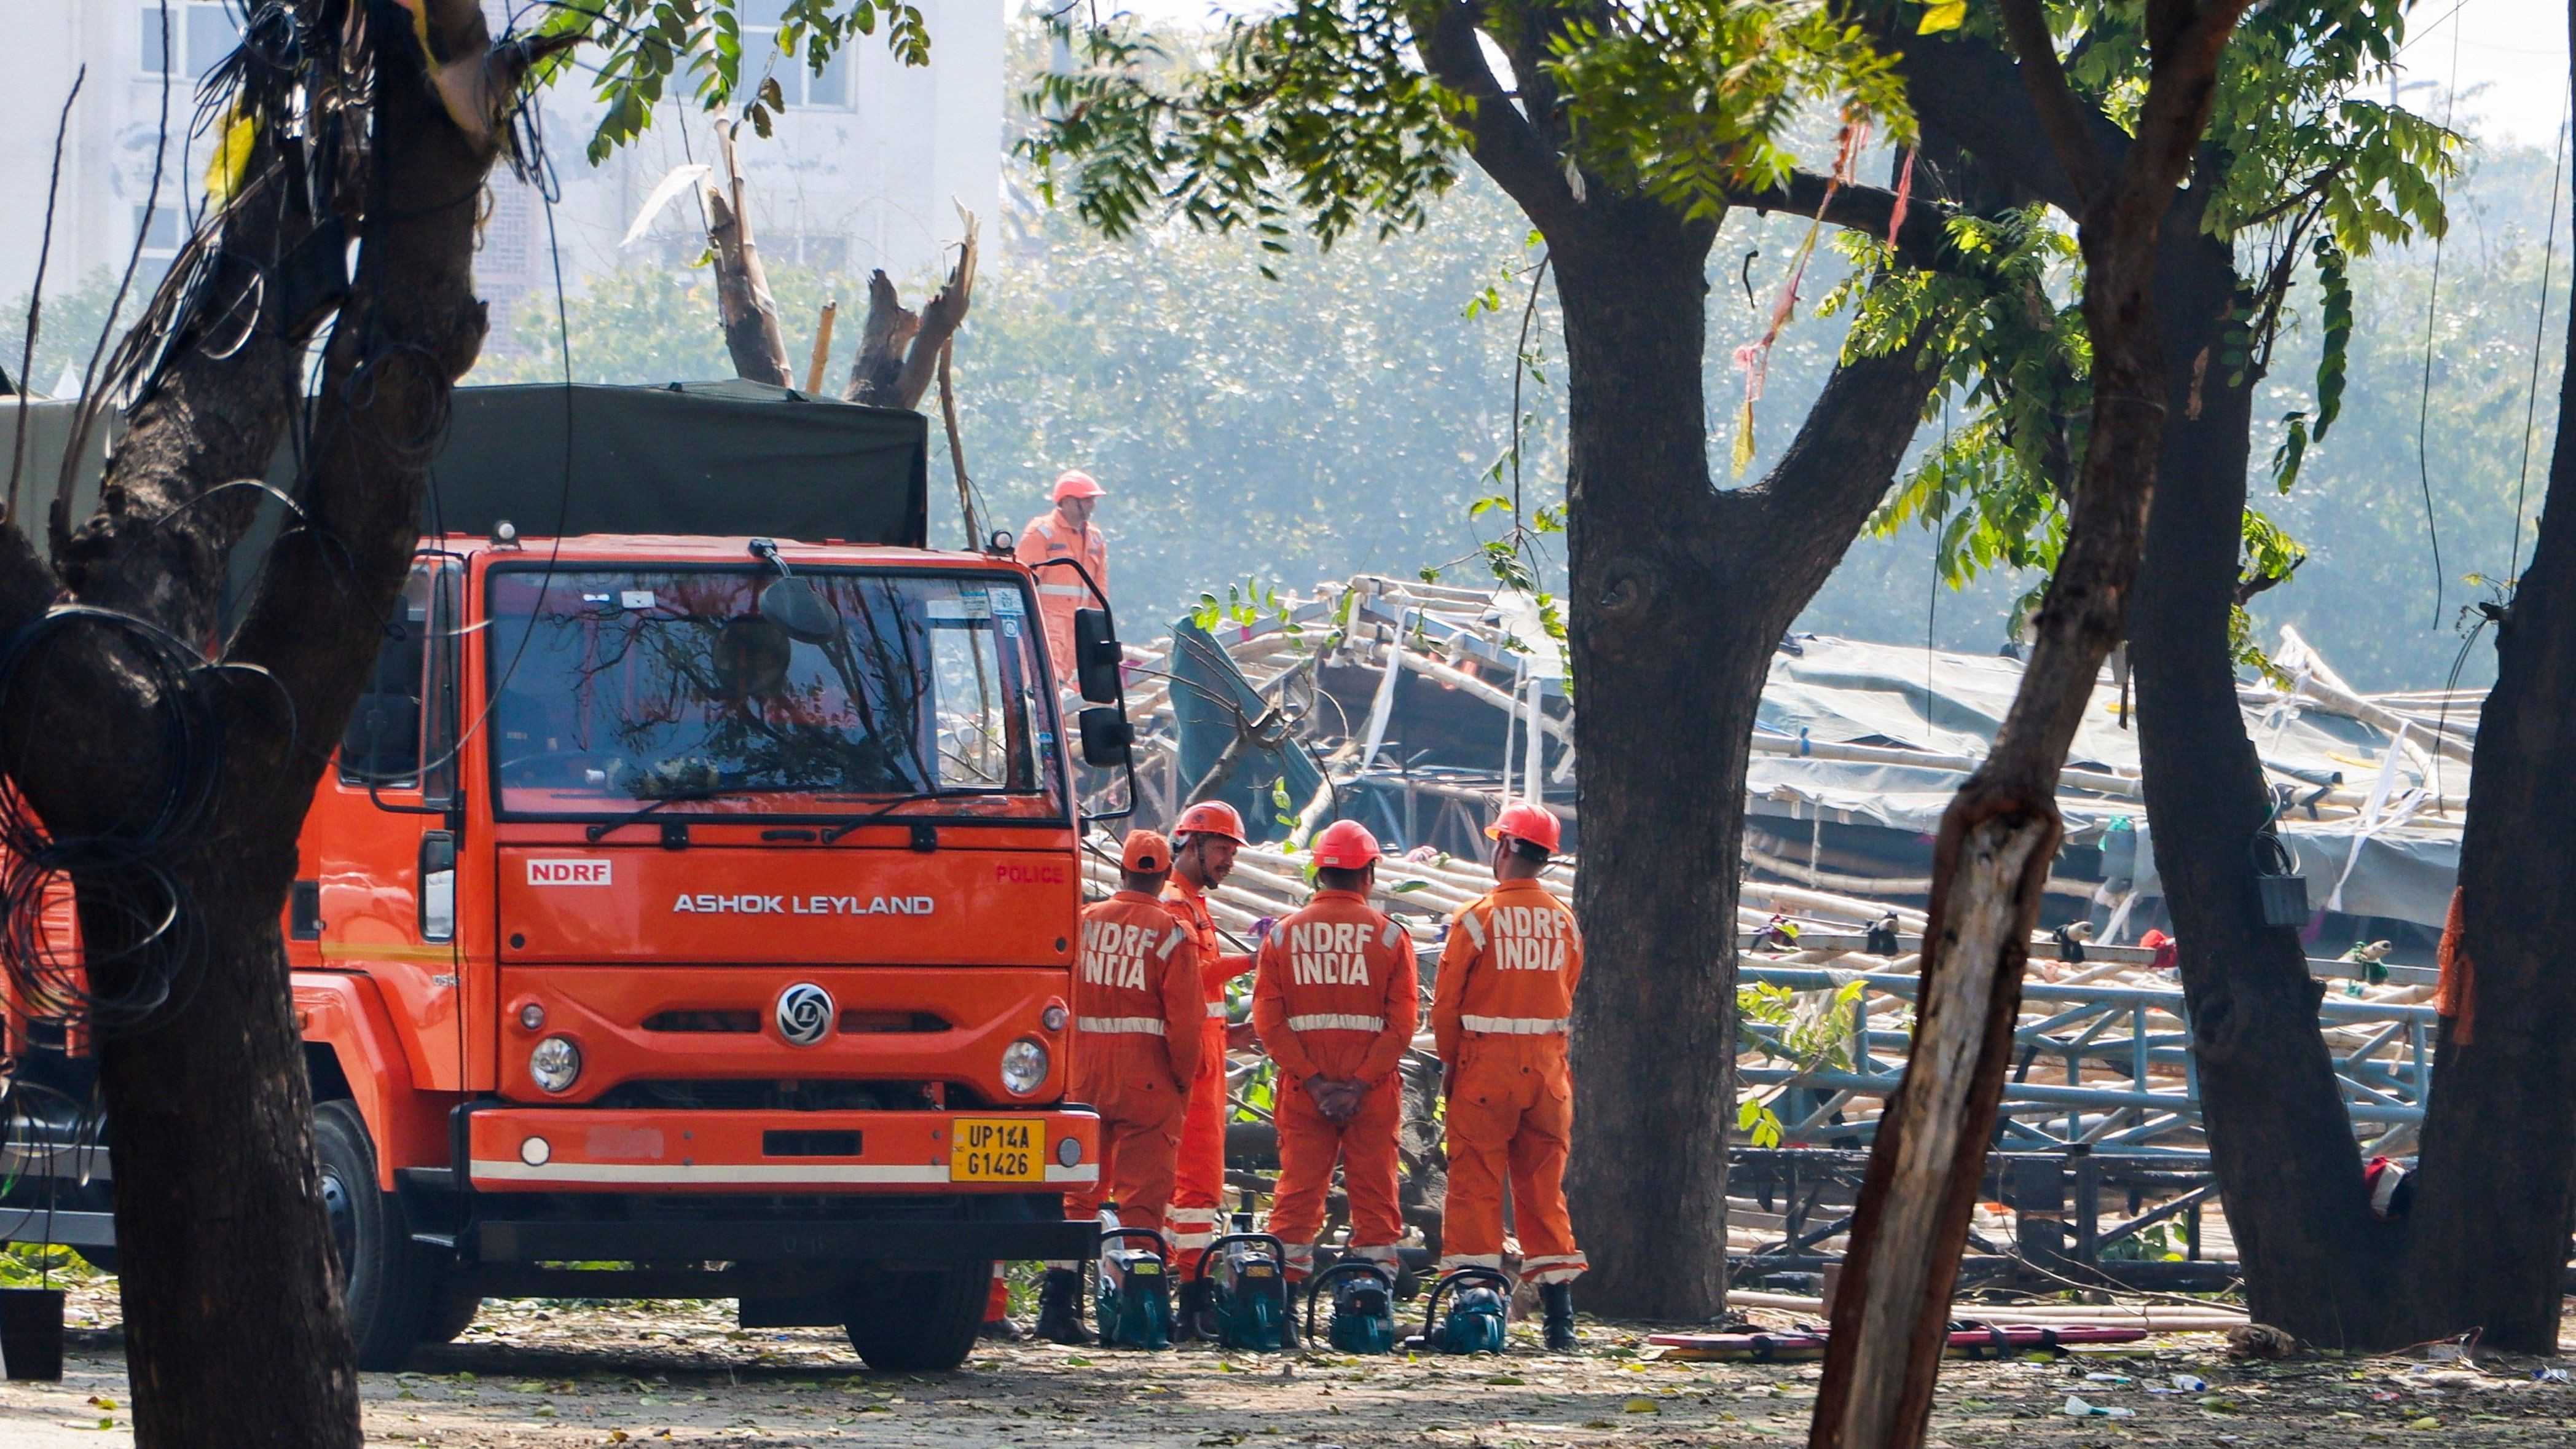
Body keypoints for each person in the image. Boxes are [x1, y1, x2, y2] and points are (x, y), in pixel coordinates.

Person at [1037, 830, 1204, 1344]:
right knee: (1141, 1200)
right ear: (1161, 875)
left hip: (1083, 1078)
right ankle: (1136, 1311)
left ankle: (1058, 1308)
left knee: (1075, 1196)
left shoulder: (1082, 924)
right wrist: (1181, 1082)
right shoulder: (1172, 934)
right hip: (1148, 1082)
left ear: (1124, 871)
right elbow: (1187, 1024)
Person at [1431, 799, 1586, 1351]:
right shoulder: (1565, 921)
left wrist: (1452, 1068)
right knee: (1544, 1191)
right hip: (1548, 1075)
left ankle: (1477, 1309)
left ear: (1503, 848)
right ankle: (1560, 1320)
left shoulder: (1477, 917)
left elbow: (1447, 1008)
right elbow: (1567, 989)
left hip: (1485, 1071)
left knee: (1475, 1185)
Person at [1251, 820, 1418, 1305]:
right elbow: (1402, 1025)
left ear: (1319, 873)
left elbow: (1268, 1021)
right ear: (1368, 874)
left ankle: (1276, 1311)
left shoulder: (1282, 937)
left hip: (1307, 1092)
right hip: (1372, 1092)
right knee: (1376, 1199)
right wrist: (1360, 1084)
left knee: (1297, 1196)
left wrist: (1316, 1082)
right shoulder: (1389, 938)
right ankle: (1370, 1308)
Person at [1158, 798, 1256, 1340]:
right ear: (1191, 844)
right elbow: (1191, 980)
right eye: (1222, 849)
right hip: (1193, 1067)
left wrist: (1234, 1034)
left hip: (1206, 1057)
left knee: (1195, 1186)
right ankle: (1192, 1300)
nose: (1229, 862)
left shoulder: (1193, 904)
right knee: (1195, 1187)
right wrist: (1255, 960)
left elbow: (1202, 1002)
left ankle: (1186, 1288)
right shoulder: (1176, 906)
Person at [1014, 469, 1110, 683]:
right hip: (1046, 628)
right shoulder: (1042, 532)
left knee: (1068, 688)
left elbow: (1099, 593)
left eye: (1092, 499)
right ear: (1066, 501)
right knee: (1045, 684)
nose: (1092, 504)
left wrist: (1098, 632)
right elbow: (1022, 584)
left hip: (1078, 631)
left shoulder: (1095, 538)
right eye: (1086, 500)